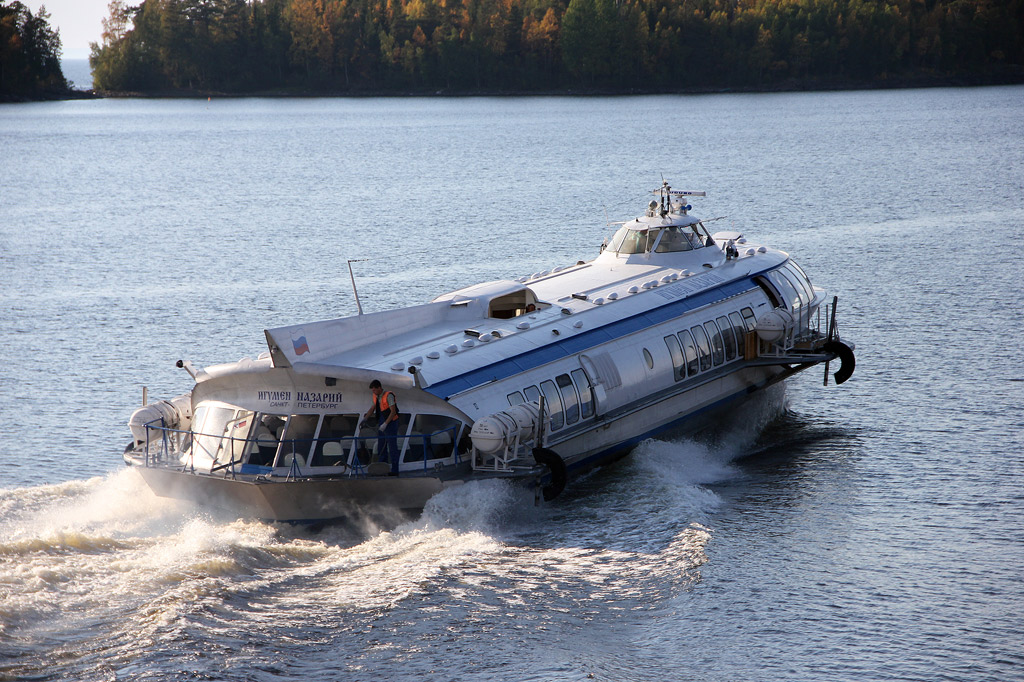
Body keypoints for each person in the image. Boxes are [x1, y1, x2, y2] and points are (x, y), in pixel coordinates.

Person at [364, 379, 399, 474]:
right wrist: (365, 418)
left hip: (390, 423)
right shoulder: (375, 396)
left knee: (392, 447)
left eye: (374, 390)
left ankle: (395, 470)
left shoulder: (389, 396)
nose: (373, 392)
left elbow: (393, 412)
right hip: (381, 421)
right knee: (381, 446)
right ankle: (382, 468)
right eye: (372, 391)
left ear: (379, 388)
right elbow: (372, 408)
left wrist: (385, 424)